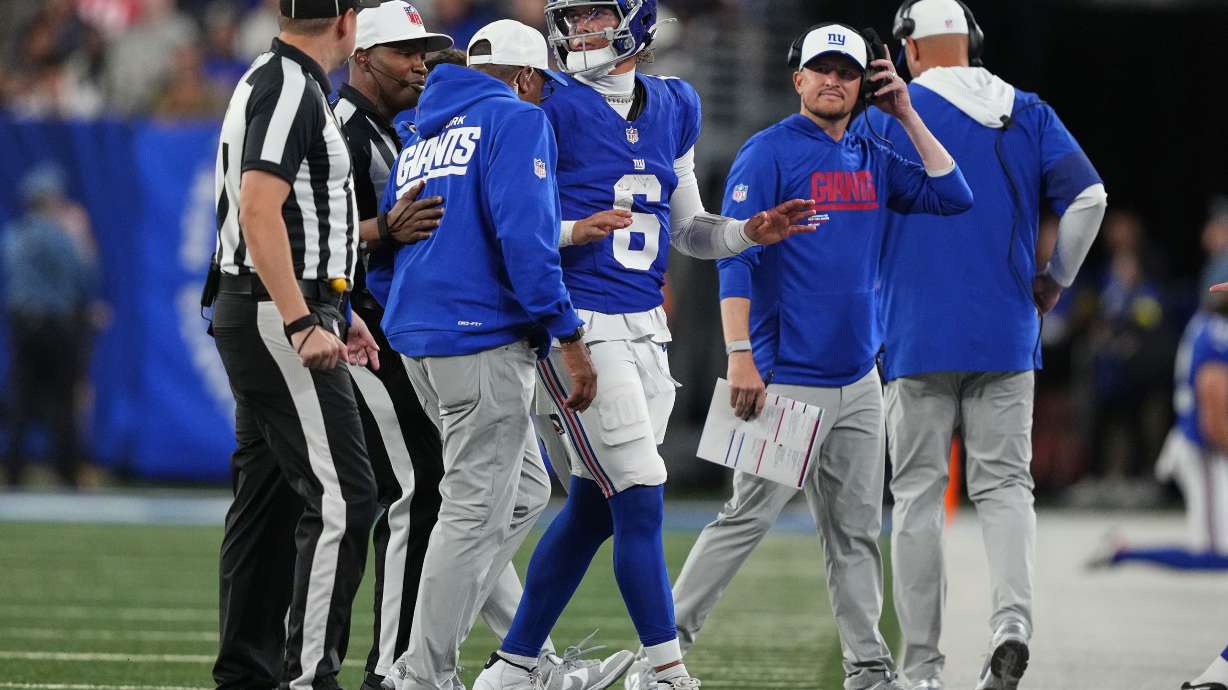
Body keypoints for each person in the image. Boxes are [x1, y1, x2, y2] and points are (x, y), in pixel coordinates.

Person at [474, 3, 817, 690]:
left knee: (595, 506)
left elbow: (691, 231)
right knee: (639, 494)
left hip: (644, 328)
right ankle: (668, 673)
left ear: (636, 22)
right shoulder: (549, 103)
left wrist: (749, 231)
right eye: (575, 19)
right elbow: (510, 215)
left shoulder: (675, 103)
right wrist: (574, 232)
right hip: (579, 324)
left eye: (597, 18)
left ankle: (512, 669)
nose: (581, 32)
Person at [656, 21, 973, 690]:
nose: (835, 79)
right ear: (797, 78)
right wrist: (740, 356)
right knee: (743, 521)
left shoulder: (872, 153)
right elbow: (735, 259)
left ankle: (867, 669)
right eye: (822, 68)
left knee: (856, 534)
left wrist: (908, 113)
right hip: (782, 381)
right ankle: (664, 658)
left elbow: (954, 194)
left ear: (863, 86)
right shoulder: (767, 153)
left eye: (848, 71)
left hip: (859, 381)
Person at [865, 1, 1108, 688]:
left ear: (909, 49)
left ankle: (921, 670)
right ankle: (1012, 625)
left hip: (914, 332)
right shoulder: (1026, 109)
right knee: (1005, 489)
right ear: (971, 42)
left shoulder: (890, 115)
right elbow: (1090, 198)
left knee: (917, 497)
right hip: (1006, 329)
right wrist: (1055, 279)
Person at [377, 19, 598, 690]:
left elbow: (392, 242)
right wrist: (568, 333)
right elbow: (525, 239)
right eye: (542, 87)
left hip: (419, 337)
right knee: (471, 512)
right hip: (478, 338)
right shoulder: (514, 120)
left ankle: (520, 660)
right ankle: (422, 674)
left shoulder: (419, 132)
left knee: (523, 492)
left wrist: (404, 311)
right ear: (527, 77)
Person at [205, 0, 384, 687]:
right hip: (273, 312)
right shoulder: (289, 83)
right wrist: (301, 317)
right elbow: (257, 206)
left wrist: (335, 304)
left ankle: (245, 675)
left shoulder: (280, 77)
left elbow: (290, 212)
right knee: (346, 496)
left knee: (269, 497)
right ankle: (310, 677)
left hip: (275, 305)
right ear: (348, 23)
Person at [1086, 275, 1228, 573]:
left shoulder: (1208, 324)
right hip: (1205, 444)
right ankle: (1124, 553)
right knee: (1215, 555)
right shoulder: (1217, 333)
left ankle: (1123, 552)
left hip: (1204, 441)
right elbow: (1213, 406)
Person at [2, 164, 100, 488]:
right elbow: (83, 277)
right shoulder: (63, 237)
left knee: (21, 399)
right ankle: (66, 473)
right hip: (57, 327)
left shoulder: (14, 236)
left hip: (23, 324)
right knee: (62, 401)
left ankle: (14, 471)